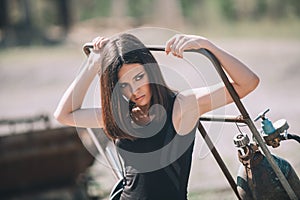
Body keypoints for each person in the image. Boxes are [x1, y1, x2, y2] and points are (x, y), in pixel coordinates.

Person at [54, 32, 259, 200]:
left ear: (150, 70)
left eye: (138, 77)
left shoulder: (182, 106)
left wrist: (207, 45)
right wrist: (92, 64)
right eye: (124, 85)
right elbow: (64, 114)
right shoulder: (122, 115)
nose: (134, 90)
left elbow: (248, 82)